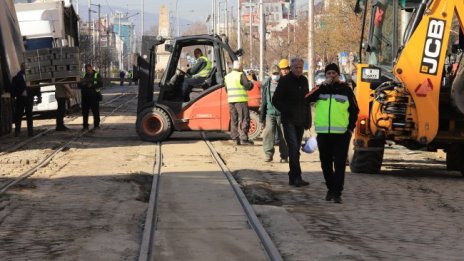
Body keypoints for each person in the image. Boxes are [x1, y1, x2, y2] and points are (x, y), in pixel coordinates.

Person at [305, 63, 359, 203]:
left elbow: (354, 110)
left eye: (333, 73)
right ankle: (330, 188)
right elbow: (307, 98)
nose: (331, 76)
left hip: (341, 134)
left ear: (338, 74)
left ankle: (337, 193)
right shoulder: (320, 89)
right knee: (325, 163)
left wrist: (350, 129)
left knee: (340, 164)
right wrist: (322, 86)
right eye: (328, 73)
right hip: (323, 133)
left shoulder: (346, 90)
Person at [272, 58, 311, 187]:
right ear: (291, 67)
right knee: (293, 148)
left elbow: (307, 101)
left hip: (301, 120)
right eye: (296, 68)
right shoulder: (285, 81)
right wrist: (286, 110)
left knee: (296, 149)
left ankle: (292, 176)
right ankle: (297, 177)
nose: (299, 70)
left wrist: (308, 120)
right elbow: (276, 100)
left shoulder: (304, 80)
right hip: (289, 120)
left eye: (300, 67)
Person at [259, 65, 288, 162]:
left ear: (280, 73)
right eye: (274, 73)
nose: (276, 75)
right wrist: (261, 118)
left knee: (283, 135)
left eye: (277, 73)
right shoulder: (266, 84)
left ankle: (284, 156)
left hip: (282, 114)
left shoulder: (284, 83)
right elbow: (263, 101)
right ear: (270, 74)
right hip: (270, 113)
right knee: (268, 133)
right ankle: (268, 154)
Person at [224, 60, 254, 146]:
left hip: (231, 101)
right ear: (240, 66)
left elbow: (226, 89)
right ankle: (244, 138)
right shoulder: (241, 75)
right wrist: (251, 82)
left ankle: (235, 139)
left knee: (234, 120)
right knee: (244, 118)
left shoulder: (227, 76)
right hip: (241, 100)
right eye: (242, 66)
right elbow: (247, 86)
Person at [12, 63, 35, 137]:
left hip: (29, 98)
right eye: (24, 67)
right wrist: (17, 95)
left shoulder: (32, 77)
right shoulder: (16, 78)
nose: (25, 68)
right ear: (21, 67)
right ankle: (17, 130)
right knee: (18, 115)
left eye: (26, 67)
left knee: (29, 115)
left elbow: (36, 87)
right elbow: (14, 89)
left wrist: (37, 96)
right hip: (20, 99)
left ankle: (30, 132)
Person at [80, 64, 102, 131]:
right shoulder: (85, 75)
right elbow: (80, 84)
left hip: (94, 96)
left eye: (89, 70)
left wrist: (91, 85)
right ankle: (85, 126)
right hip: (85, 97)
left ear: (91, 68)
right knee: (85, 112)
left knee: (95, 111)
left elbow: (100, 84)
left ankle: (96, 125)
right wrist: (84, 85)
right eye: (86, 70)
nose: (88, 71)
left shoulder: (97, 74)